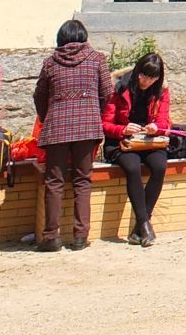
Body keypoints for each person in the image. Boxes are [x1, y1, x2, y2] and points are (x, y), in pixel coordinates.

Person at [32, 19, 112, 253]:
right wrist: (92, 111)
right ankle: (80, 236)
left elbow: (39, 95)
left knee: (54, 182)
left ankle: (51, 237)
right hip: (87, 127)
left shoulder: (50, 63)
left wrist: (48, 116)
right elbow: (108, 93)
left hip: (57, 126)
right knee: (82, 180)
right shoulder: (97, 59)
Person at [102, 51, 172, 246]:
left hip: (148, 140)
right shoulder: (119, 87)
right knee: (132, 168)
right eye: (144, 75)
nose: (146, 81)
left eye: (152, 78)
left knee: (159, 166)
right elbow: (105, 123)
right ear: (137, 71)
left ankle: (139, 228)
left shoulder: (161, 91)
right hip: (122, 142)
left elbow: (164, 120)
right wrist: (123, 129)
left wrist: (156, 127)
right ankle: (145, 225)